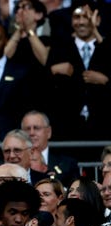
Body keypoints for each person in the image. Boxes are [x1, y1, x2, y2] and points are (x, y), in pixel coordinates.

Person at [46, 1, 111, 141]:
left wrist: (106, 81)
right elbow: (42, 84)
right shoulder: (60, 49)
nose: (81, 22)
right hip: (68, 129)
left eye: (86, 17)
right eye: (76, 17)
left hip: (104, 127)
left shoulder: (106, 48)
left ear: (97, 19)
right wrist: (52, 70)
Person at [21, 111, 79, 186]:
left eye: (36, 128)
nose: (31, 133)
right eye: (27, 129)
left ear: (48, 132)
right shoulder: (14, 161)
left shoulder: (67, 164)